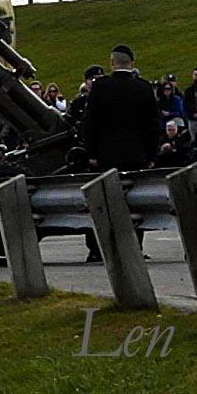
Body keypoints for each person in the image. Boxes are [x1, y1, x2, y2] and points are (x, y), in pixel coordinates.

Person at [81, 44, 159, 262]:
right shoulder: (143, 88)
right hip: (136, 155)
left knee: (105, 202)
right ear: (132, 63)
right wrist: (151, 156)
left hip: (106, 154)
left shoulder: (101, 87)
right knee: (134, 202)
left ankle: (101, 248)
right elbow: (153, 125)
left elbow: (90, 122)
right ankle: (135, 247)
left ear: (112, 63)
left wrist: (91, 152)